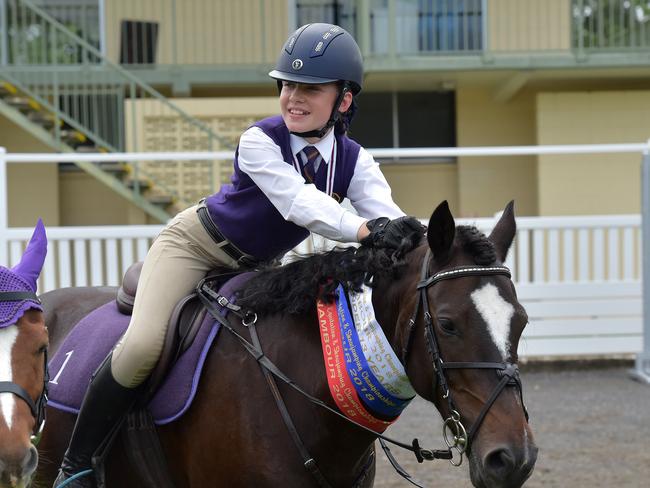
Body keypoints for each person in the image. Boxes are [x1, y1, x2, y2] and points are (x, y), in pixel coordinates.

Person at [53, 22, 424, 487]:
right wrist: (368, 230)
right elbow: (300, 204)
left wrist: (417, 239)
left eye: (309, 88)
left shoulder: (355, 160)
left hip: (253, 267)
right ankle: (77, 464)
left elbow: (387, 212)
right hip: (194, 247)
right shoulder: (259, 140)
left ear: (344, 100)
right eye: (287, 84)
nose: (293, 97)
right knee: (144, 344)